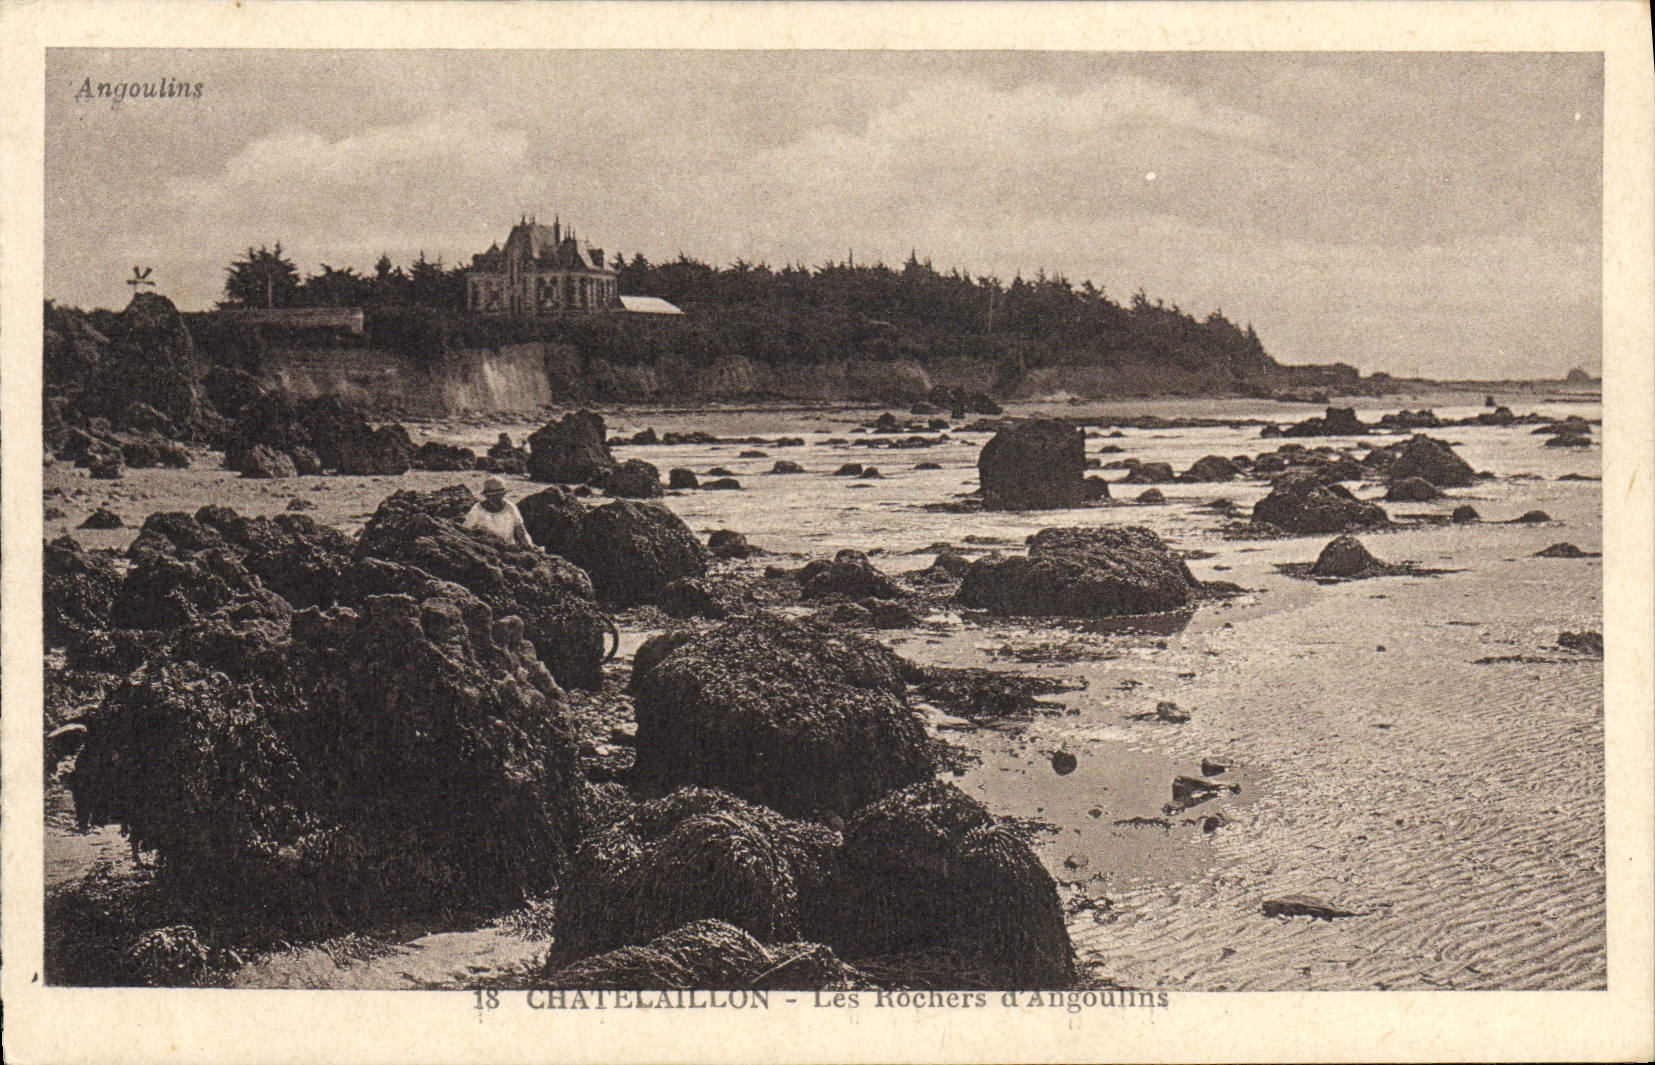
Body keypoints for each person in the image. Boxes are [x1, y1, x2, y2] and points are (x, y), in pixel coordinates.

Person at [463, 476, 534, 549]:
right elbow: (466, 530)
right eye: (492, 496)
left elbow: (521, 531)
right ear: (487, 496)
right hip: (486, 549)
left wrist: (529, 545)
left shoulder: (510, 507)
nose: (495, 498)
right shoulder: (477, 509)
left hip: (508, 548)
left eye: (499, 495)